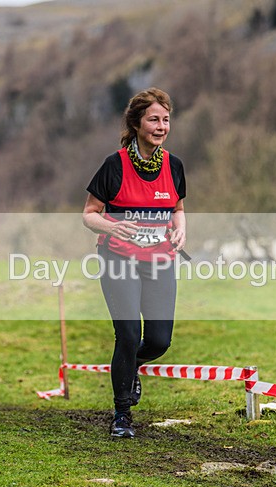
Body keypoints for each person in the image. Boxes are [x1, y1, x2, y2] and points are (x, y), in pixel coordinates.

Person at [82, 87, 187, 438]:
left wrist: (179, 232)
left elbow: (177, 209)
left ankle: (134, 366)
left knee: (158, 341)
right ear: (137, 123)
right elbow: (89, 214)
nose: (161, 126)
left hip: (159, 260)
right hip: (118, 259)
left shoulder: (174, 166)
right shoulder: (114, 165)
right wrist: (114, 225)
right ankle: (122, 414)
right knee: (127, 334)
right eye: (154, 119)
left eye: (166, 119)